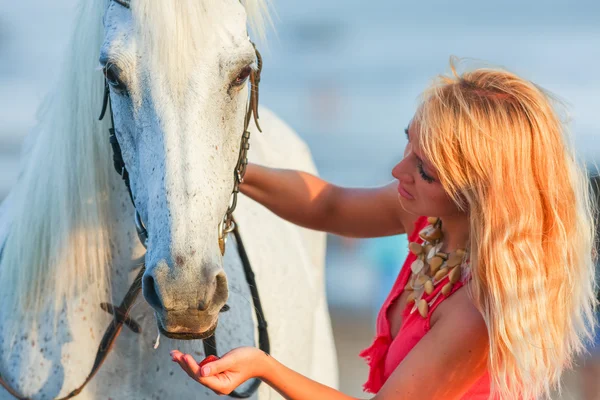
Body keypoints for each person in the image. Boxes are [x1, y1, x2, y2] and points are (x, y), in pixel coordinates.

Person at [170, 61, 597, 400]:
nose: (398, 170)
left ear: (482, 196)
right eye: (408, 142)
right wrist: (226, 170)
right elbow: (331, 206)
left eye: (424, 170)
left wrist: (266, 367)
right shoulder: (432, 220)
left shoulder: (476, 311)